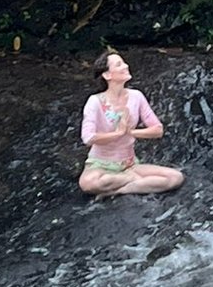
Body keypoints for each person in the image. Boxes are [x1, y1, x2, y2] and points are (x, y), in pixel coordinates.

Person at [78, 50, 184, 198]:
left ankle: (120, 189)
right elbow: (88, 138)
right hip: (101, 166)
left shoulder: (136, 96)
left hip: (130, 165)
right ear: (107, 75)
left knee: (175, 177)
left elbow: (157, 130)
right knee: (88, 183)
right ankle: (137, 182)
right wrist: (118, 134)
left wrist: (131, 132)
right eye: (119, 64)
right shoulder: (95, 101)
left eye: (124, 62)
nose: (126, 66)